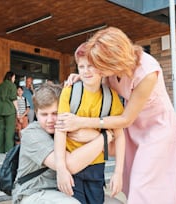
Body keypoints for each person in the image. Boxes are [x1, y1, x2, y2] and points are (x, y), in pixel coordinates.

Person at [55, 27, 176, 204]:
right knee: (134, 180)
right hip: (131, 127)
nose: (98, 67)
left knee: (145, 183)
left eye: (100, 63)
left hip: (156, 126)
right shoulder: (110, 70)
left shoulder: (147, 71)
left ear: (114, 58)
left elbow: (126, 119)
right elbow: (95, 82)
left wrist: (80, 122)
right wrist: (81, 76)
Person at [12, 83, 122, 204]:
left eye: (55, 113)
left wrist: (94, 135)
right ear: (36, 114)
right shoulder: (32, 134)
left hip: (63, 190)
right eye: (44, 114)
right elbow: (70, 165)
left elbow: (112, 151)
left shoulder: (68, 127)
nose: (50, 120)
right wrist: (105, 136)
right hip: (33, 192)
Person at [54, 43, 125, 204]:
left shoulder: (111, 97)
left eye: (91, 66)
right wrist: (61, 169)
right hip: (72, 163)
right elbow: (60, 131)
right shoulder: (70, 92)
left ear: (101, 67)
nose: (86, 71)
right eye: (81, 66)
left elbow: (120, 136)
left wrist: (118, 173)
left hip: (96, 165)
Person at [0, 71, 18, 153]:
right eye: (14, 77)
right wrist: (18, 111)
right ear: (11, 77)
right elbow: (14, 99)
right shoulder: (12, 86)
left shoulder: (0, 86)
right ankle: (8, 150)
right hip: (9, 110)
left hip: (0, 110)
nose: (15, 79)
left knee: (0, 130)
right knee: (9, 130)